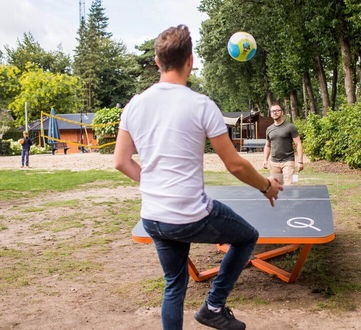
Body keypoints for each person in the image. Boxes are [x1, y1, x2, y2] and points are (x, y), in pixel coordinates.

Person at [113, 25, 282, 330]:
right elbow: (235, 165)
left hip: (154, 216)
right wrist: (267, 186)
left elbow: (121, 162)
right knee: (247, 238)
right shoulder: (201, 105)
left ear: (156, 61)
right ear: (190, 60)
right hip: (191, 214)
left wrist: (154, 185)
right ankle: (213, 307)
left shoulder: (134, 105)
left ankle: (210, 310)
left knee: (174, 286)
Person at [263, 103, 304, 185]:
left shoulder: (290, 127)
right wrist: (265, 160)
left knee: (289, 186)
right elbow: (267, 146)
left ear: (282, 112)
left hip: (288, 161)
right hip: (274, 162)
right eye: (273, 111)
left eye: (278, 110)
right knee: (276, 187)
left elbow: (298, 144)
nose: (275, 112)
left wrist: (300, 161)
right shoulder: (269, 129)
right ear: (271, 114)